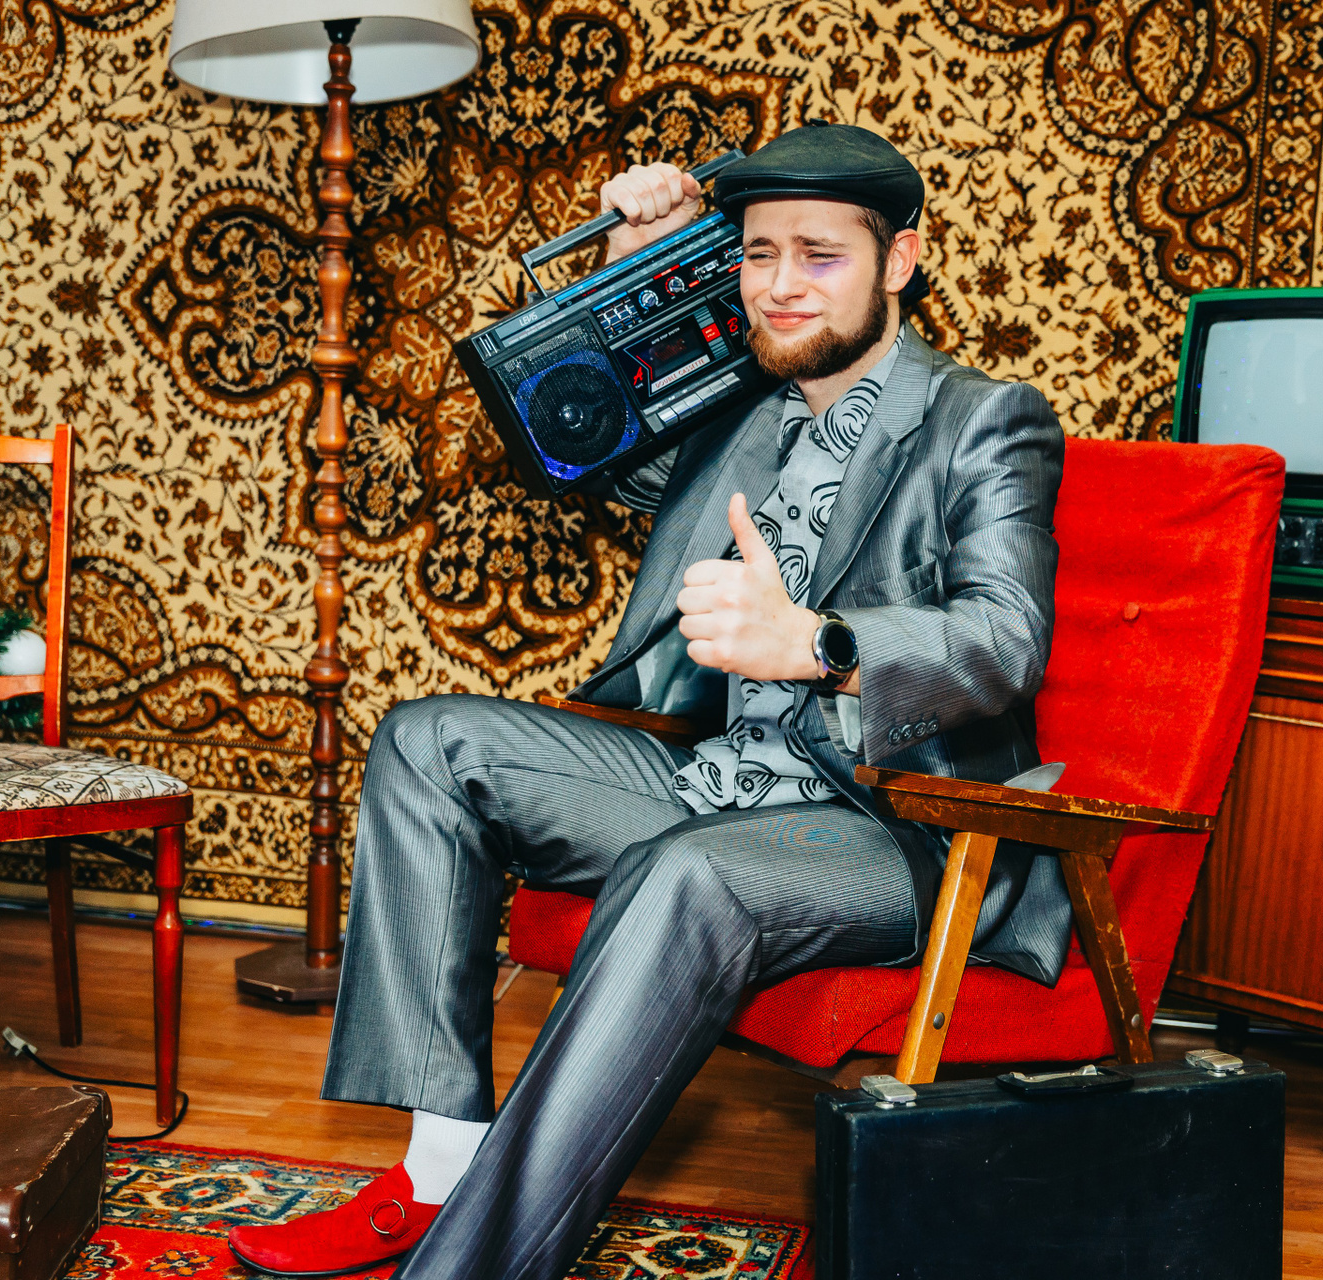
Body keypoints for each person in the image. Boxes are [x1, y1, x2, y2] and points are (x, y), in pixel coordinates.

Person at [227, 123, 1068, 1280]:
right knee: (427, 740)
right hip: (721, 778)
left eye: (820, 254)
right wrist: (632, 268)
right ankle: (436, 1173)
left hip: (889, 820)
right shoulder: (743, 407)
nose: (781, 284)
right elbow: (583, 448)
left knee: (691, 873)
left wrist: (818, 643)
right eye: (759, 253)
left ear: (901, 259)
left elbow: (1006, 639)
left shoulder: (986, 416)